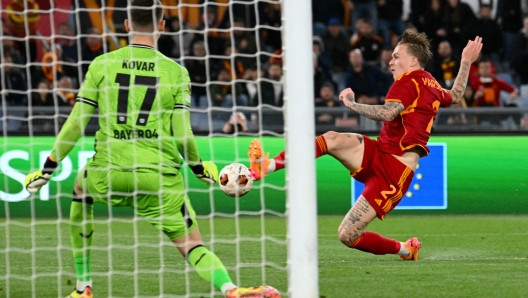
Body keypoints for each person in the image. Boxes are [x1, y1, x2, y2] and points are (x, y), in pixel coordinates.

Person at [23, 1, 281, 298]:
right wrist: (198, 168)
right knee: (192, 245)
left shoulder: (101, 64)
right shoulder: (175, 72)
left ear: (126, 26)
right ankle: (231, 290)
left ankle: (83, 288)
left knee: (81, 190)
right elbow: (182, 134)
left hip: (109, 171)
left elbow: (76, 124)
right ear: (161, 25)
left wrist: (48, 169)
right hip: (159, 177)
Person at [248, 31, 482, 261]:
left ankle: (405, 249)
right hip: (378, 152)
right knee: (331, 138)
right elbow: (456, 94)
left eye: (396, 56)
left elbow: (389, 113)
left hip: (394, 173)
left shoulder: (408, 81)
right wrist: (465, 62)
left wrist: (351, 104)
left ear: (413, 61)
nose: (390, 61)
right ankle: (267, 166)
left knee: (347, 235)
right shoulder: (430, 83)